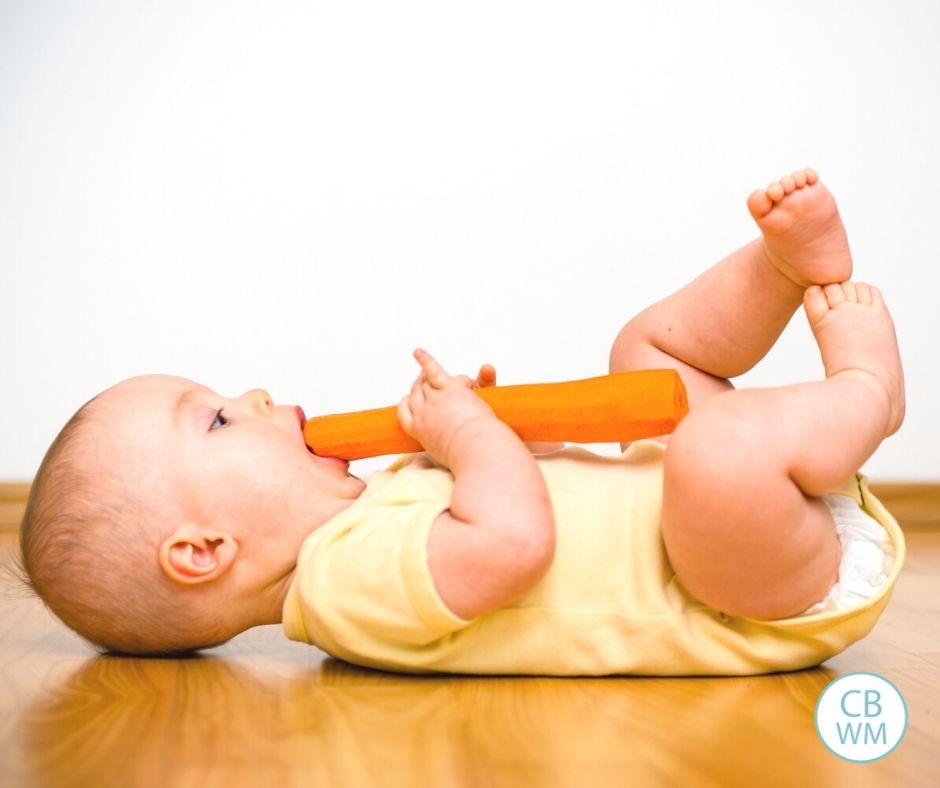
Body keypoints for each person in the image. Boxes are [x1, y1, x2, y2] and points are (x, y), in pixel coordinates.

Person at [19, 168, 906, 675]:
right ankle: (867, 385)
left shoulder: (373, 516)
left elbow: (545, 505)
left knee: (643, 348)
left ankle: (784, 268)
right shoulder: (341, 584)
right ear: (203, 550)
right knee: (716, 449)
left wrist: (512, 439)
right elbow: (516, 544)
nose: (250, 395)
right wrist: (471, 440)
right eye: (214, 421)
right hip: (745, 596)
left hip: (721, 527)